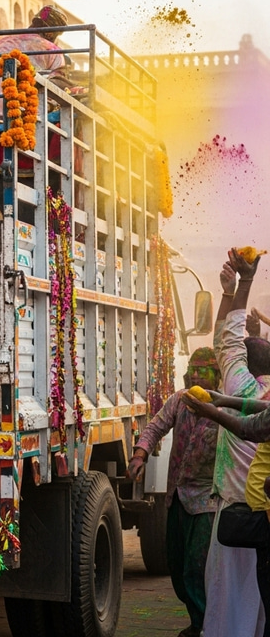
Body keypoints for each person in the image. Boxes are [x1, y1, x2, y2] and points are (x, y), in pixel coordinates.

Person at [198, 249, 270, 637]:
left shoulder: (239, 386)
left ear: (246, 363)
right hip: (265, 516)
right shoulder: (261, 394)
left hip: (237, 518)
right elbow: (228, 343)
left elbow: (227, 343)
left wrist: (241, 286)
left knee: (228, 605)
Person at [126, 347, 220, 637]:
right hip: (177, 497)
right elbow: (155, 427)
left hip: (206, 502)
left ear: (217, 376)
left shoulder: (225, 409)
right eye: (194, 369)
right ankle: (197, 619)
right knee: (177, 566)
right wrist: (139, 455)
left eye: (204, 370)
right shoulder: (180, 400)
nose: (197, 375)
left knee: (196, 567)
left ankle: (203, 625)